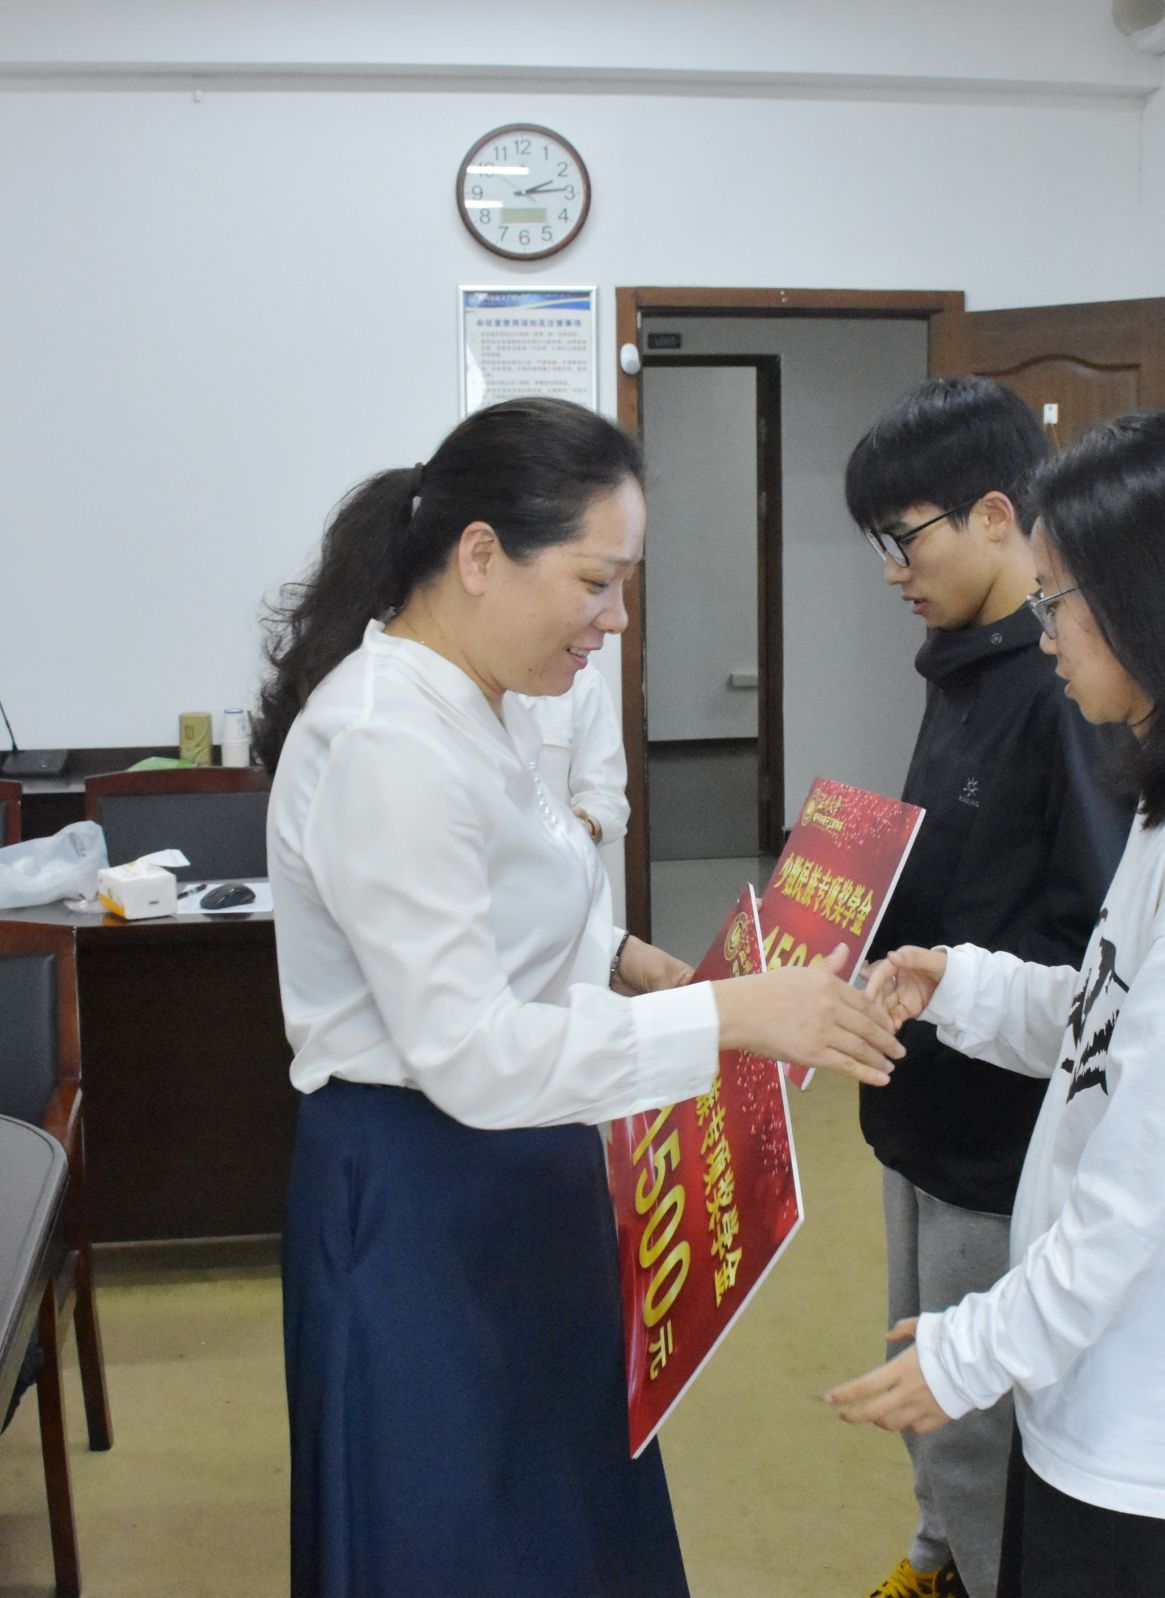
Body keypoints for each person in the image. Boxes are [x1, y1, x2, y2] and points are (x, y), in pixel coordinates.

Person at [255, 396, 905, 1598]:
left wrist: (631, 959)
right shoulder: (386, 743)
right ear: (479, 554)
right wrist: (728, 1017)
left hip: (515, 1171)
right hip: (425, 1191)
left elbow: (500, 899)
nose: (615, 620)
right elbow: (472, 1051)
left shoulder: (478, 702)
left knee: (556, 1512)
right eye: (596, 583)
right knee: (463, 1530)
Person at [827, 410, 1165, 1598]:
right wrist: (961, 982)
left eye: (1059, 599)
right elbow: (1107, 1014)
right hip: (1101, 1382)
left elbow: (1147, 1185)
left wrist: (976, 1346)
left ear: (1152, 605)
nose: (1043, 628)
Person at [841, 377, 1132, 1598]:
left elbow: (1094, 956)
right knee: (921, 1367)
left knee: (971, 1410)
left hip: (1000, 1133)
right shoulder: (960, 665)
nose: (891, 569)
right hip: (921, 1093)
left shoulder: (1066, 693)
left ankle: (979, 1566)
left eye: (904, 538)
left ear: (997, 514)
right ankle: (939, 1560)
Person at [522, 664, 629, 846]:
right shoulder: (470, 682)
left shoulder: (582, 679)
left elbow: (604, 793)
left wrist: (587, 825)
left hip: (555, 853)